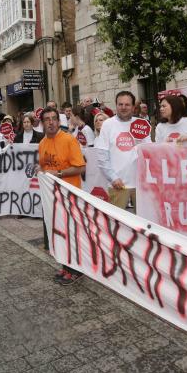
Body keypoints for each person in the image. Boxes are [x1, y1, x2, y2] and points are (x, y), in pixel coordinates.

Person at [38, 107, 86, 285]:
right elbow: (45, 167)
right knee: (60, 233)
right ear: (42, 123)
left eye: (53, 119)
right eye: (47, 119)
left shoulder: (68, 140)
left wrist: (57, 173)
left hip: (70, 195)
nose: (50, 122)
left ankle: (76, 270)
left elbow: (80, 167)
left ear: (59, 122)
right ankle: (66, 267)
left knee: (72, 234)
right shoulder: (42, 143)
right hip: (53, 198)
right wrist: (41, 170)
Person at [95, 91, 152, 212]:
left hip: (140, 185)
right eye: (120, 104)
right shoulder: (108, 125)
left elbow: (149, 152)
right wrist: (113, 178)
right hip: (118, 184)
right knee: (117, 223)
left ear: (133, 107)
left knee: (142, 223)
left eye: (127, 104)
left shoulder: (141, 124)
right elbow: (102, 155)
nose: (123, 107)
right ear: (116, 105)